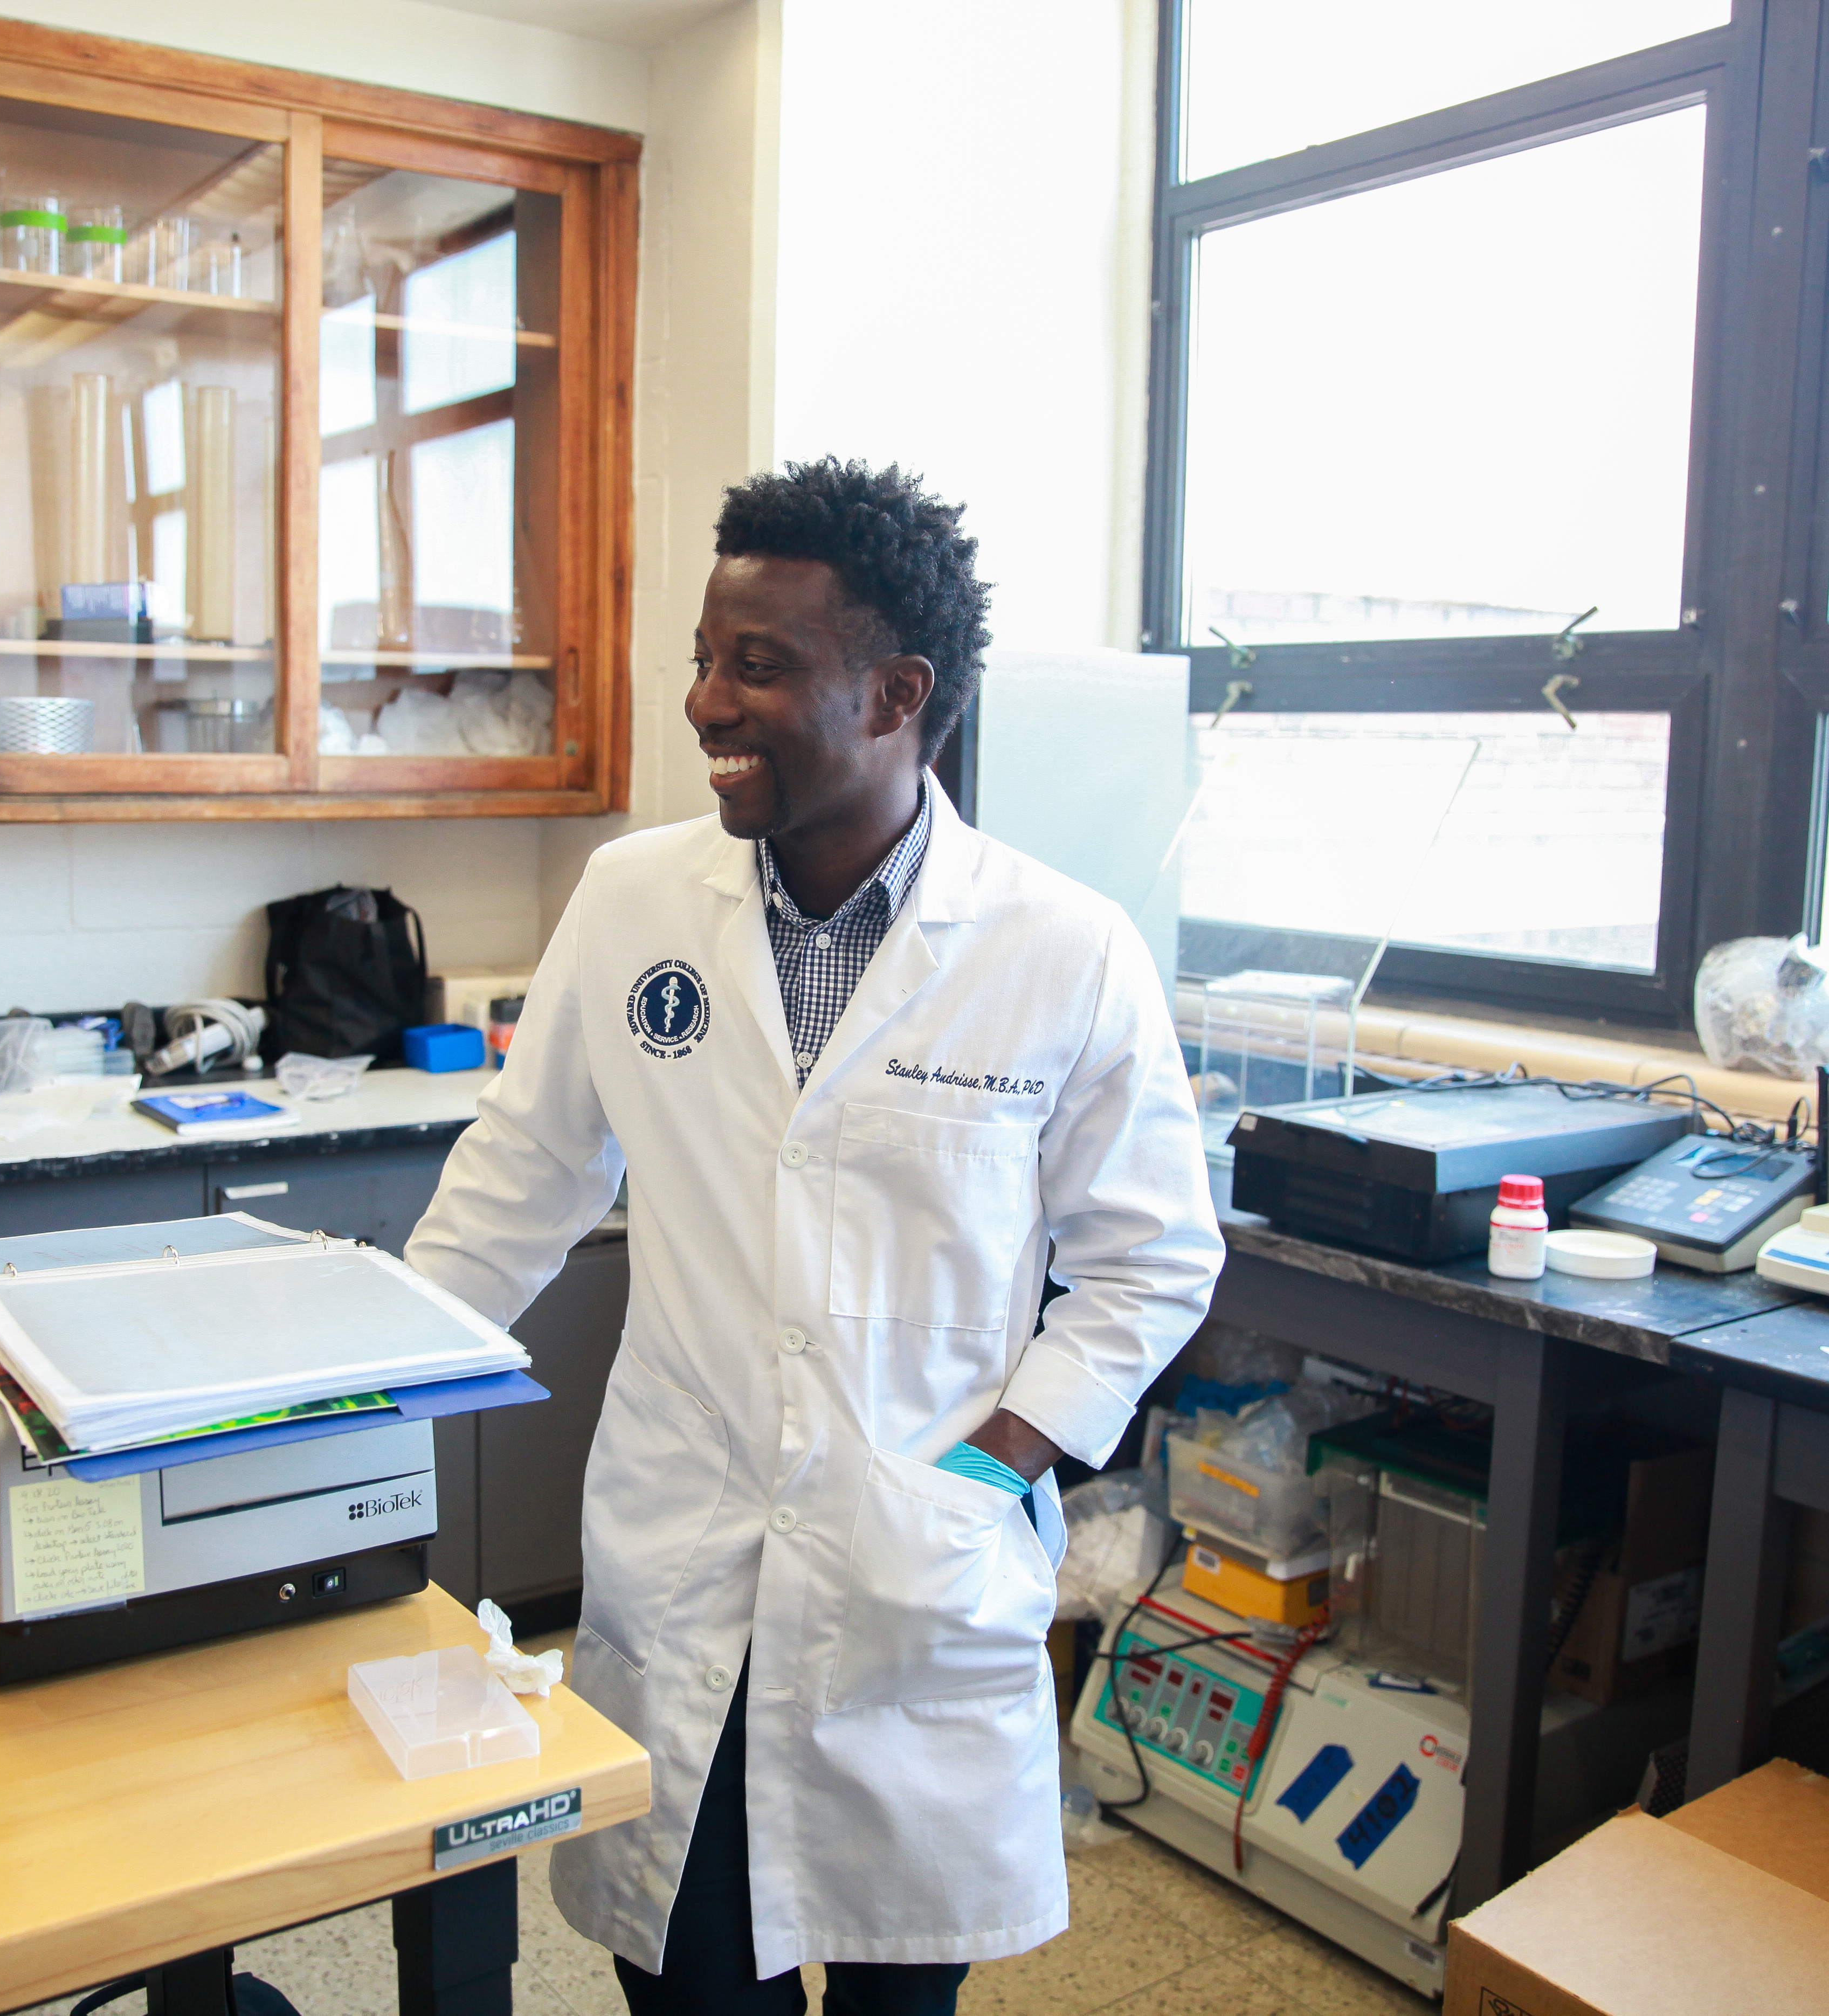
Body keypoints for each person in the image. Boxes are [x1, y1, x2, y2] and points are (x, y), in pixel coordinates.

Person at [405, 459, 1223, 2013]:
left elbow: (1152, 1259)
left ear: (898, 691)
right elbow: (521, 1178)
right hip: (685, 1548)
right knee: (689, 1982)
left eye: (758, 666)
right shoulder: (638, 897)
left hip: (918, 1573)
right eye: (706, 659)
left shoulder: (1062, 949)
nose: (706, 701)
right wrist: (355, 1398)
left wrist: (988, 1473)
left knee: (902, 1997)